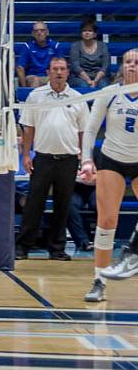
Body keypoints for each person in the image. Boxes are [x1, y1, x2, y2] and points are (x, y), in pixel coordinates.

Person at [79, 48, 138, 301]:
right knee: (106, 222)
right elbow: (90, 129)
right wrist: (86, 160)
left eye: (137, 62)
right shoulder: (110, 93)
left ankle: (131, 255)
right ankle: (99, 281)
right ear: (121, 65)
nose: (132, 66)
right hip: (112, 160)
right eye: (128, 62)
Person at [16, 56, 88, 261]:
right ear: (48, 72)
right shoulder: (36, 96)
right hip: (43, 158)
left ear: (67, 72)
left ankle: (56, 248)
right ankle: (23, 247)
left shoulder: (77, 98)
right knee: (33, 204)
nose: (58, 72)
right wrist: (26, 155)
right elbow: (28, 127)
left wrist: (84, 156)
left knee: (62, 205)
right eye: (55, 69)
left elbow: (84, 131)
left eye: (62, 69)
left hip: (68, 159)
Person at [16, 21, 64, 88]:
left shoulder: (55, 46)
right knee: (35, 80)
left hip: (49, 76)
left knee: (53, 80)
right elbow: (20, 67)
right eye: (36, 31)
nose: (39, 33)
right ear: (32, 34)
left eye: (42, 30)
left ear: (47, 32)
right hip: (32, 76)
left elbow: (61, 65)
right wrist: (24, 89)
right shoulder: (27, 46)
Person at [69, 19, 110, 89]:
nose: (87, 33)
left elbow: (105, 65)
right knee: (84, 87)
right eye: (84, 30)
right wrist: (89, 81)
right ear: (81, 33)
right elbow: (75, 66)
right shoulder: (75, 46)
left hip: (99, 77)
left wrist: (95, 81)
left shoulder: (103, 45)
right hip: (80, 77)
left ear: (95, 34)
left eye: (90, 31)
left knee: (104, 86)